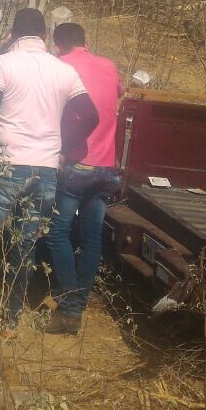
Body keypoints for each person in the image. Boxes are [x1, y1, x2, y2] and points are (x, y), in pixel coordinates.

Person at [0, 8, 98, 344]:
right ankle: (9, 322)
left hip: (5, 164)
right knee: (23, 247)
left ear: (13, 32)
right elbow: (91, 115)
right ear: (44, 34)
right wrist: (63, 145)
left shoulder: (3, 64)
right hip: (46, 171)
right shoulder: (63, 70)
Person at [43, 22, 123, 335]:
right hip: (107, 169)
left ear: (57, 45)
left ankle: (70, 309)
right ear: (86, 41)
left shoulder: (60, 66)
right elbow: (120, 91)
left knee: (57, 233)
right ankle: (79, 301)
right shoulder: (108, 65)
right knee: (91, 239)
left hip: (77, 166)